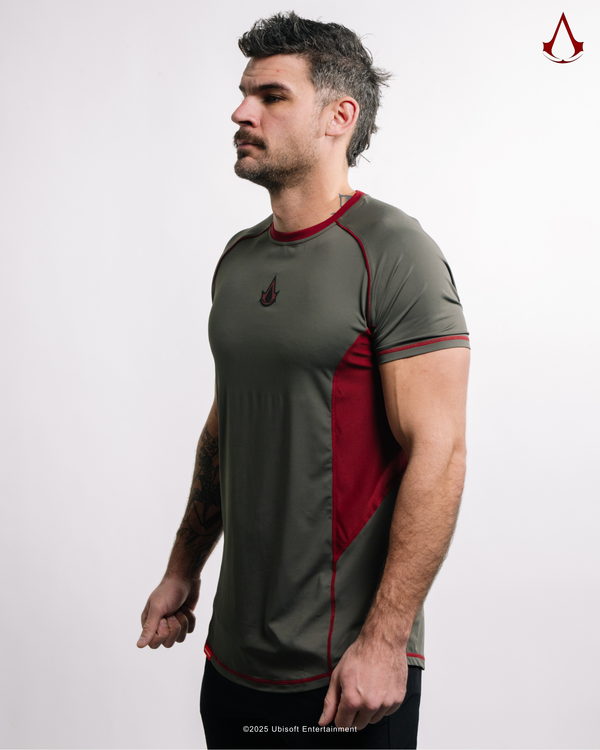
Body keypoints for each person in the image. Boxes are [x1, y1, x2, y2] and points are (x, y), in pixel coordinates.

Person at [137, 11, 470, 749]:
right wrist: (182, 567)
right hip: (233, 661)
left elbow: (440, 453)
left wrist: (385, 641)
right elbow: (228, 423)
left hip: (345, 677)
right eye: (243, 93)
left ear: (338, 117)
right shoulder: (239, 258)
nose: (241, 112)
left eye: (271, 96)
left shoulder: (395, 252)